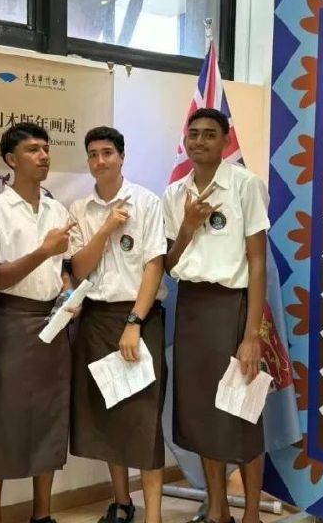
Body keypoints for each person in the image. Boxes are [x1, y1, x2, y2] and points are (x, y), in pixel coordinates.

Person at [161, 107, 269, 523]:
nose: (200, 141)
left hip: (232, 309)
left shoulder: (245, 185)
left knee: (242, 415)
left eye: (210, 134)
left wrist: (251, 335)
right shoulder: (174, 194)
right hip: (191, 309)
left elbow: (257, 262)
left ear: (226, 141)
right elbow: (169, 264)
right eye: (194, 134)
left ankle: (252, 514)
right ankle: (219, 511)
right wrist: (188, 226)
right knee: (203, 416)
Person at [0, 122, 77, 523]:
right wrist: (43, 251)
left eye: (46, 148)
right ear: (10, 160)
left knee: (49, 419)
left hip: (53, 322)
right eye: (33, 150)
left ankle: (42, 514)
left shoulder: (57, 209)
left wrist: (68, 292)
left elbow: (64, 268)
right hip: (11, 323)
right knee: (0, 419)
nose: (44, 156)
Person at [68, 126, 168, 523]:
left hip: (139, 318)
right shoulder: (80, 209)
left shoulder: (146, 201)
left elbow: (155, 265)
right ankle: (122, 503)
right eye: (93, 154)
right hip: (96, 319)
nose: (100, 161)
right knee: (109, 414)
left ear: (121, 157)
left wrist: (134, 321)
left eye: (107, 152)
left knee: (143, 418)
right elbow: (79, 269)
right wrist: (107, 228)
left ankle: (154, 515)